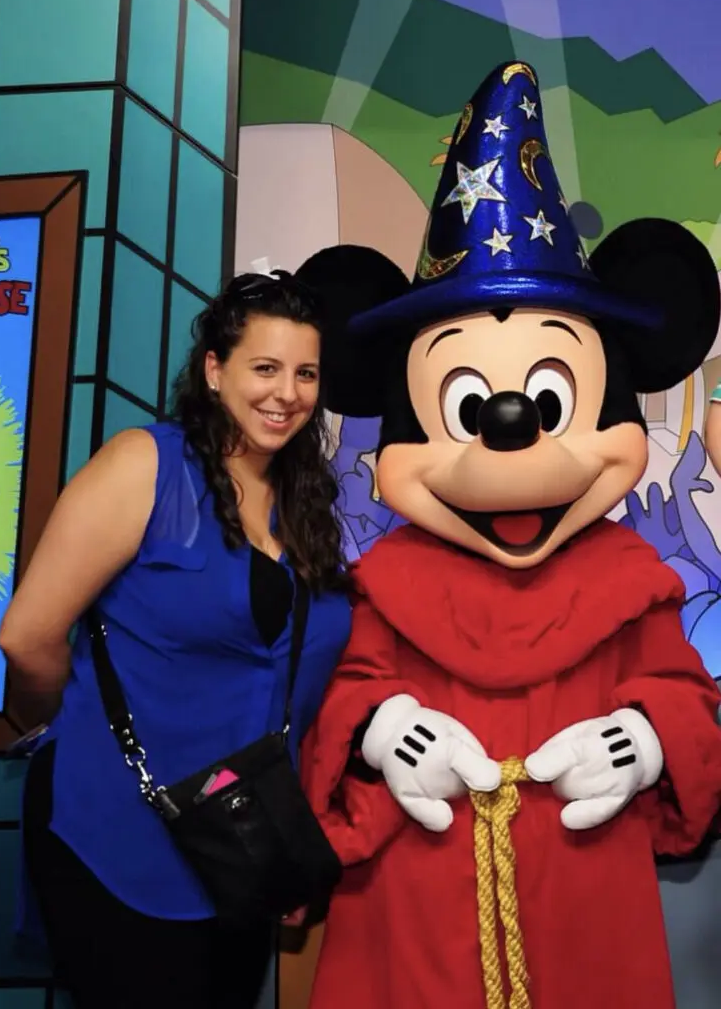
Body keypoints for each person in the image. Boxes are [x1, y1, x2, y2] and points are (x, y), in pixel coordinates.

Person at [294, 60, 721, 1009]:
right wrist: (389, 732)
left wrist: (641, 740)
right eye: (465, 404)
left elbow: (682, 697)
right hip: (418, 883)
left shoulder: (628, 575)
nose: (511, 434)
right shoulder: (390, 578)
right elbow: (348, 697)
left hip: (582, 892)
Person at [0, 270, 353, 1009]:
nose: (286, 392)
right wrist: (67, 727)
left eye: (305, 373)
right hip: (118, 827)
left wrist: (285, 849)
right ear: (215, 370)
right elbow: (27, 637)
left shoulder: (307, 500)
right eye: (265, 367)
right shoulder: (145, 466)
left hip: (241, 839)